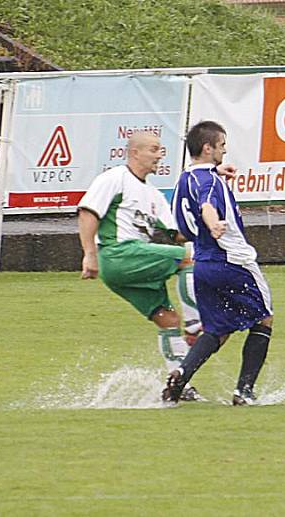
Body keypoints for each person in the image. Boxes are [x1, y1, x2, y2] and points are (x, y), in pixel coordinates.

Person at [78, 131, 204, 400]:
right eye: (155, 149)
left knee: (168, 319)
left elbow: (173, 235)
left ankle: (180, 387)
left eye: (161, 150)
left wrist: (205, 222)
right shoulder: (115, 178)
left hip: (130, 265)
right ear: (134, 152)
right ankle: (195, 324)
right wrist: (89, 253)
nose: (160, 155)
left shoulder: (155, 196)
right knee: (186, 258)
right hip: (118, 254)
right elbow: (88, 211)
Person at [163, 120, 273, 406]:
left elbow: (184, 223)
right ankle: (244, 392)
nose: (224, 151)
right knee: (264, 318)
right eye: (221, 145)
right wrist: (213, 225)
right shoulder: (210, 182)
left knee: (217, 329)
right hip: (232, 260)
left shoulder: (185, 179)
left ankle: (181, 374)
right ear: (207, 147)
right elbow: (207, 204)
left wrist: (216, 171)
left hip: (202, 264)